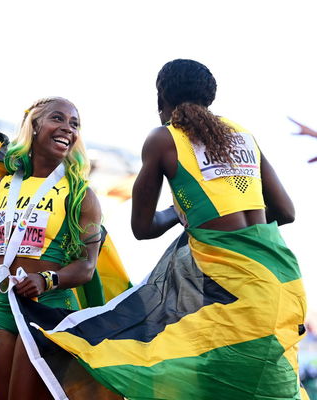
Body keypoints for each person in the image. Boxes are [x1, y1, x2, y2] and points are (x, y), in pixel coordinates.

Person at [130, 58, 307, 397]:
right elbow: (285, 211)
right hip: (281, 277)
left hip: (227, 287)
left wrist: (178, 213)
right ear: (210, 97)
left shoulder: (162, 139)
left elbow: (142, 227)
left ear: (160, 99)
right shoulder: (242, 134)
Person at [0, 97, 102, 400]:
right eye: (58, 119)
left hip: (48, 308)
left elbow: (87, 266)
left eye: (74, 124)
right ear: (35, 126)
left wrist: (46, 280)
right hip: (3, 307)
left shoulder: (80, 194)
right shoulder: (2, 187)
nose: (67, 128)